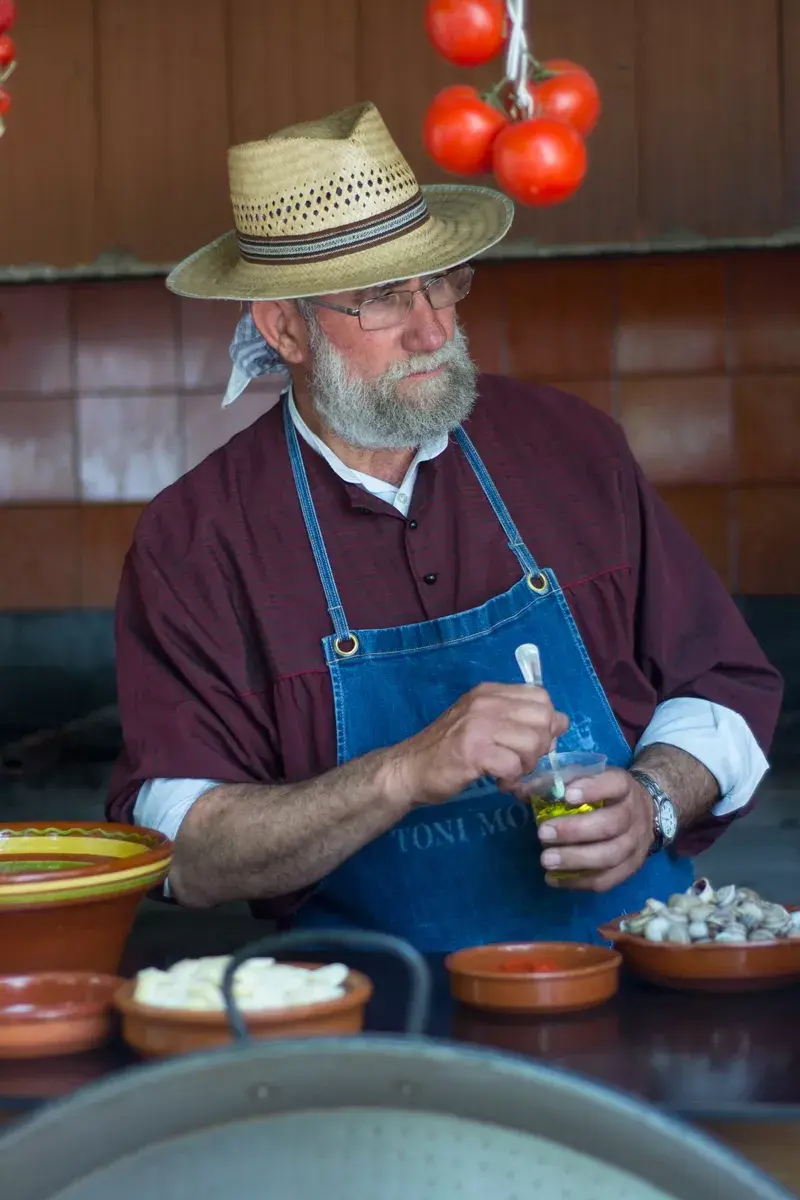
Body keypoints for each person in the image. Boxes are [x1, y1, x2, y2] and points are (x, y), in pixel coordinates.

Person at [107, 101, 782, 952]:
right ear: (285, 329)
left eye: (442, 280)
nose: (433, 327)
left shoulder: (570, 448)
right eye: (385, 298)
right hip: (373, 1015)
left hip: (632, 967)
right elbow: (187, 855)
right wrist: (401, 771)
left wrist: (651, 800)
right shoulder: (198, 541)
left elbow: (725, 687)